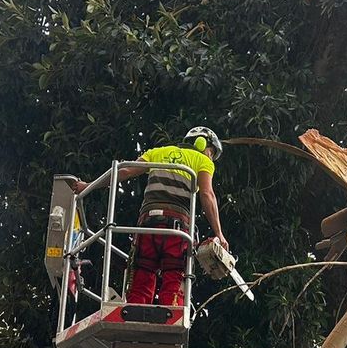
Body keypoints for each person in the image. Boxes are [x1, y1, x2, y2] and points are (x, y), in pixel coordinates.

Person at [72, 126, 229, 307]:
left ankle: (134, 315)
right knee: (174, 279)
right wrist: (219, 233)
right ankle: (169, 319)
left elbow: (124, 171)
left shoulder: (158, 152)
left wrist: (88, 186)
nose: (211, 157)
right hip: (176, 230)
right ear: (203, 144)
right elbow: (207, 195)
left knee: (142, 278)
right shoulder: (203, 160)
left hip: (147, 226)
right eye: (212, 152)